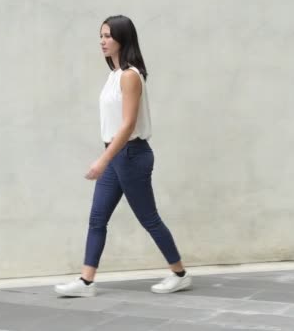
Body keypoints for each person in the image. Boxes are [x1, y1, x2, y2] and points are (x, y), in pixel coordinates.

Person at [54, 15, 192, 297]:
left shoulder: (130, 76)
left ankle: (179, 274)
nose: (102, 41)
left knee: (149, 218)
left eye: (108, 36)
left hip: (131, 155)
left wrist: (103, 160)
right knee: (97, 218)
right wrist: (107, 156)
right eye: (100, 36)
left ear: (122, 39)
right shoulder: (113, 75)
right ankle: (86, 282)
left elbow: (128, 124)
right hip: (116, 154)